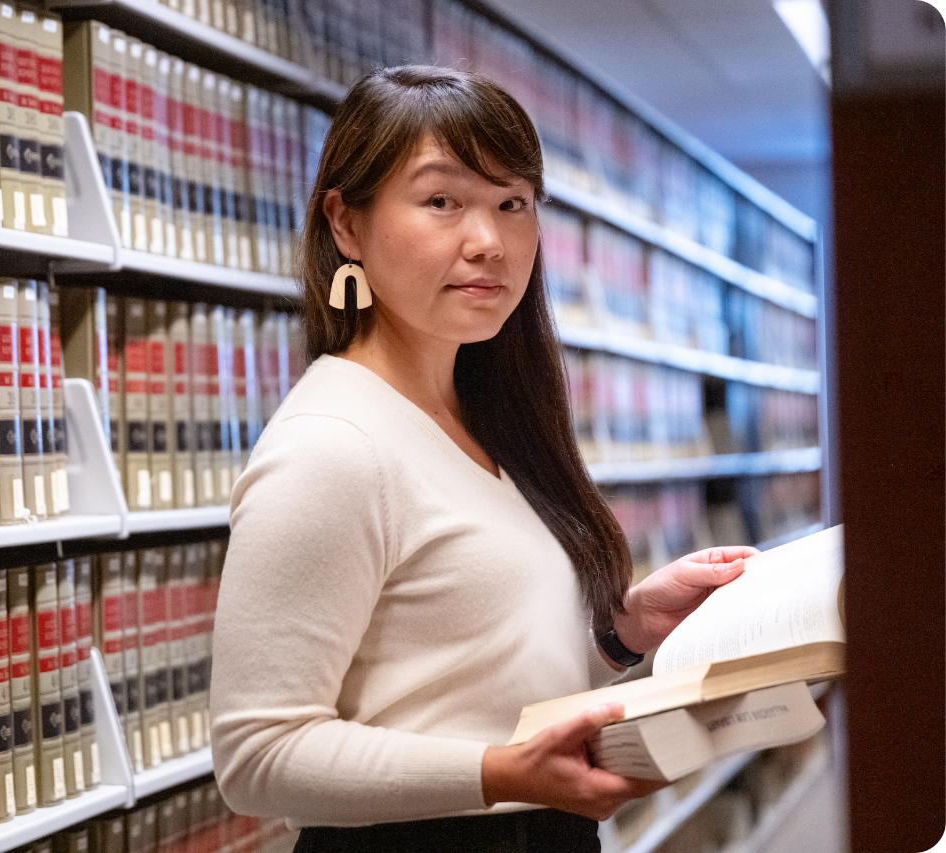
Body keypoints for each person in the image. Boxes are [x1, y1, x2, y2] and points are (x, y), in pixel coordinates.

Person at [209, 65, 757, 852]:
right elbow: (258, 757)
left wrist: (622, 632)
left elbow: (465, 675)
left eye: (513, 203)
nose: (489, 241)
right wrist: (501, 772)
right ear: (346, 223)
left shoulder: (489, 417)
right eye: (442, 201)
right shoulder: (331, 444)